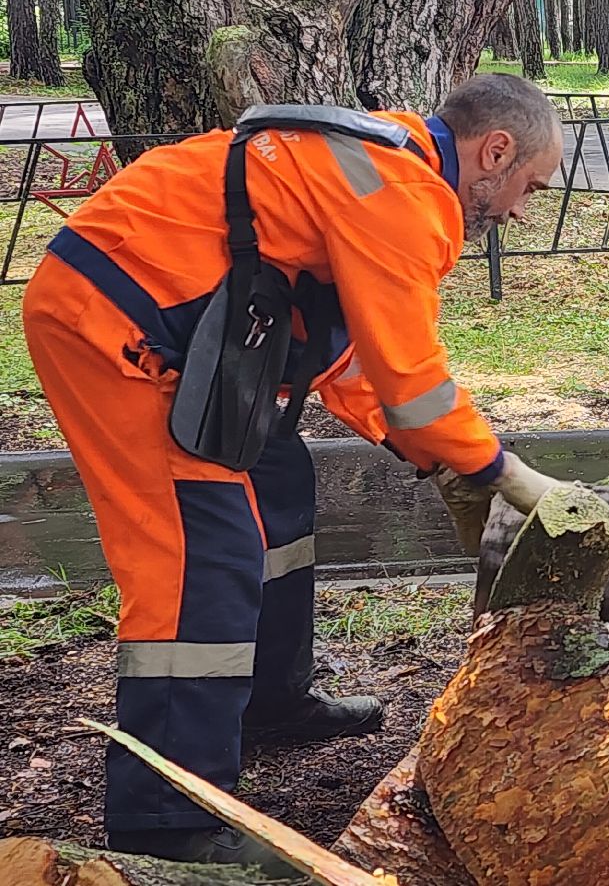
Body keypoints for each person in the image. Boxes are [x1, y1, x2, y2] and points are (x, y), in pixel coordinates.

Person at [20, 73, 568, 866]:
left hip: (198, 337)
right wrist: (506, 474)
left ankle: (270, 702)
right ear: (495, 151)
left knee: (279, 486)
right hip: (118, 328)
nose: (520, 210)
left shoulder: (381, 171)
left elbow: (349, 363)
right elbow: (414, 383)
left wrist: (434, 459)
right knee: (200, 555)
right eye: (529, 187)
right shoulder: (401, 196)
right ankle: (165, 826)